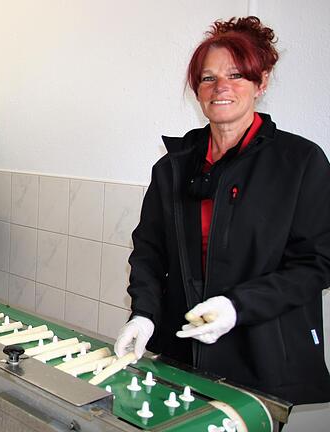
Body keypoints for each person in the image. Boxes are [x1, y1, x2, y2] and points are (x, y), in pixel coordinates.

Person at [114, 16, 330, 406]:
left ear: (261, 83)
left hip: (263, 359)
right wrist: (144, 313)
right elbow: (149, 251)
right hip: (184, 353)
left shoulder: (299, 162)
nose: (221, 88)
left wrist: (237, 307)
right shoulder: (174, 167)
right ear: (197, 90)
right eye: (208, 78)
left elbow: (316, 263)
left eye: (236, 75)